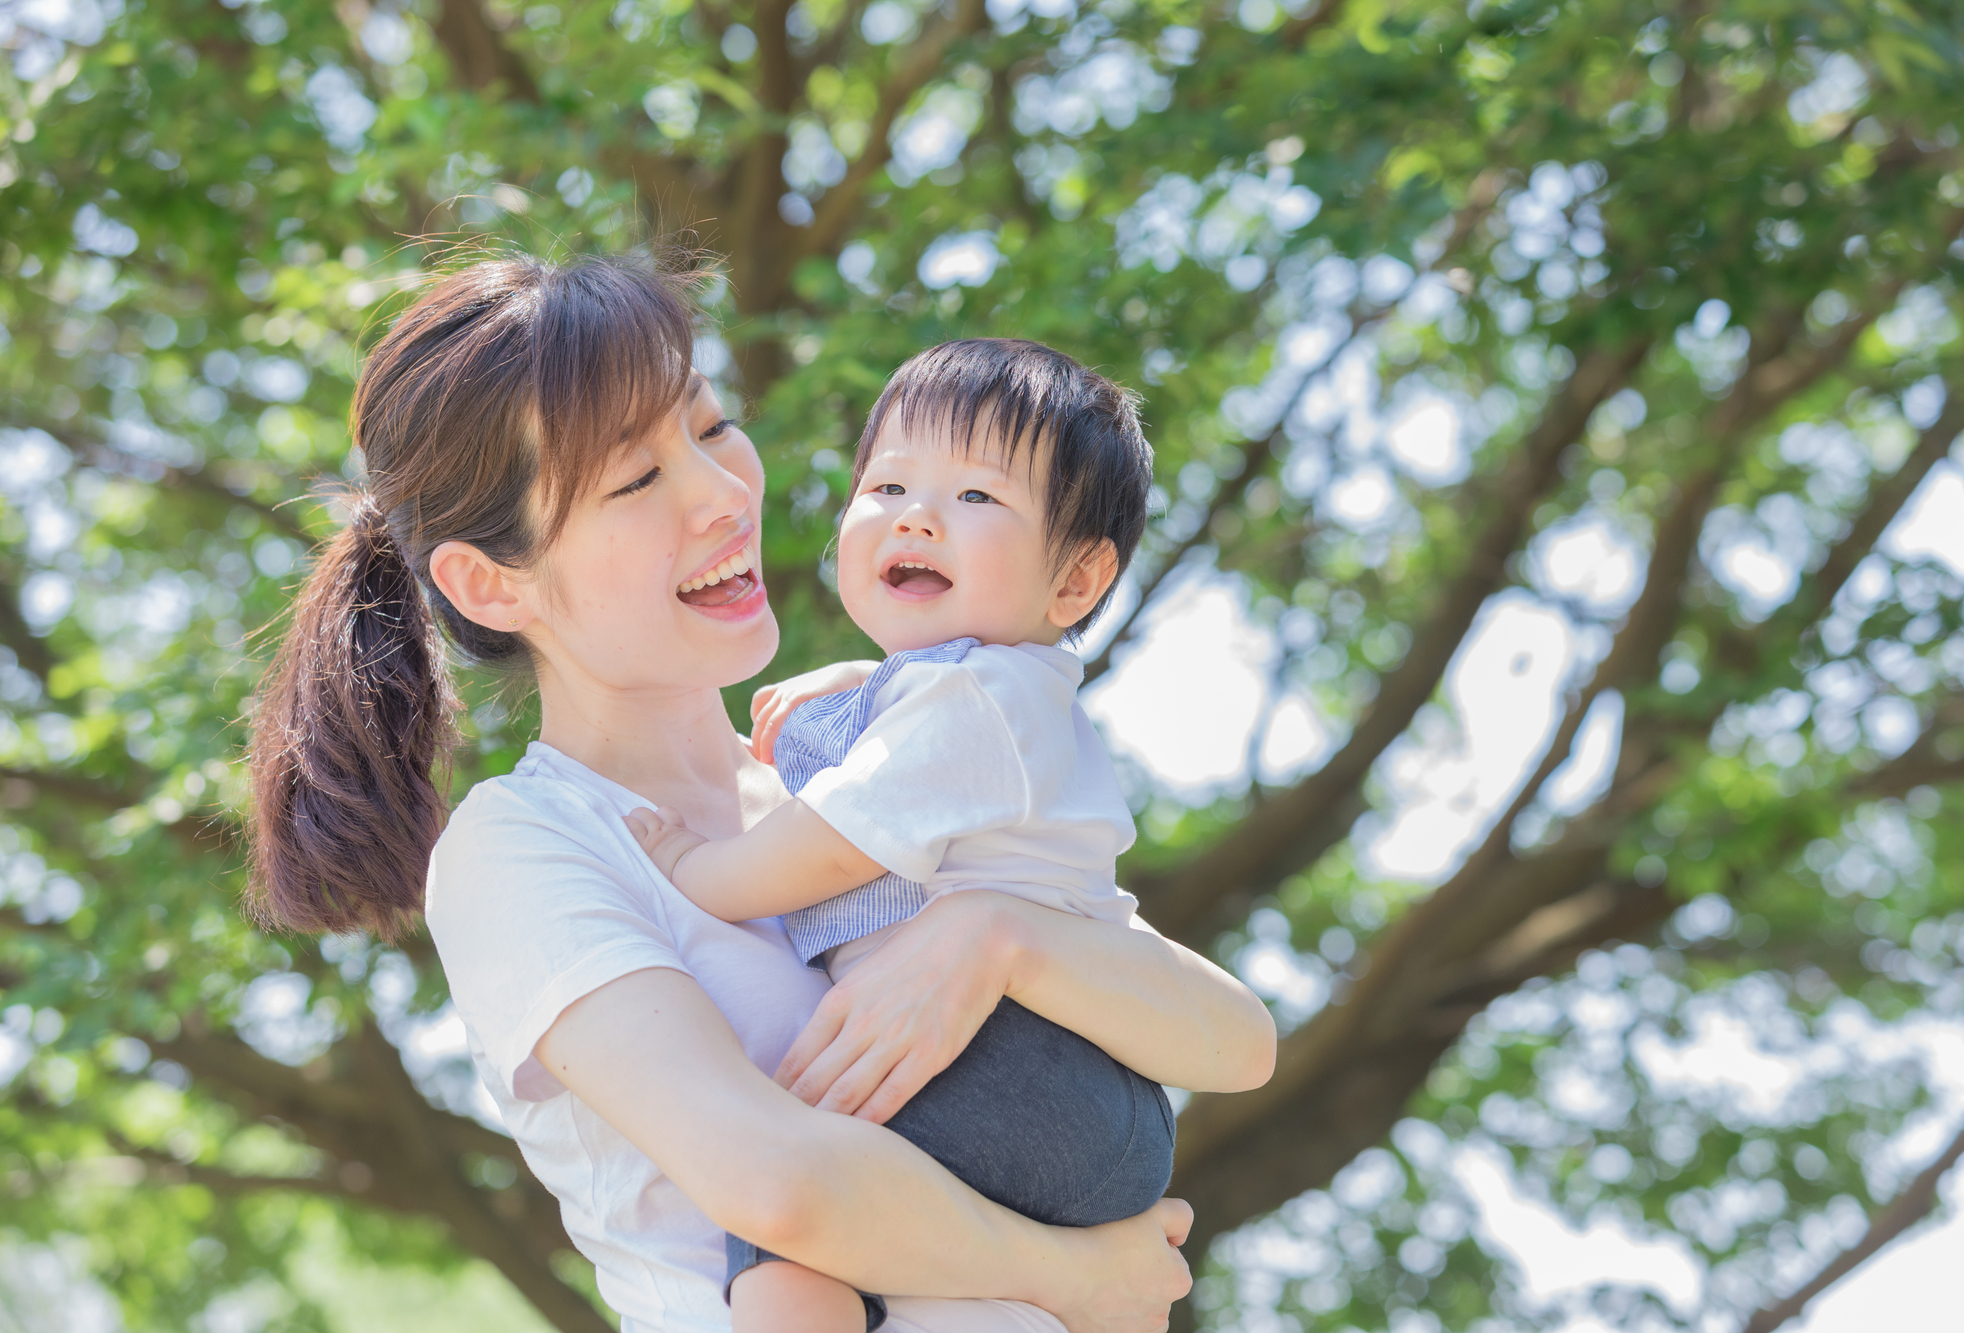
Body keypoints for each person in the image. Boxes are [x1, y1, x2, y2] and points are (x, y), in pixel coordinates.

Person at [242, 250, 1278, 1333]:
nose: (720, 494)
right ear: (490, 583)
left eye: (711, 425)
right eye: (636, 480)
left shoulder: (855, 778)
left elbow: (1233, 1040)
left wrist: (996, 936)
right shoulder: (528, 846)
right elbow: (778, 1183)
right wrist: (1070, 1277)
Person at [625, 339, 1188, 1333]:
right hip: (1074, 1086)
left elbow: (840, 842)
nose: (916, 512)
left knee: (793, 1202)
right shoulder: (983, 691)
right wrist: (857, 683)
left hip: (1022, 1064)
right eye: (886, 481)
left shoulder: (971, 699)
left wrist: (691, 868)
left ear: (1074, 582)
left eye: (978, 497)